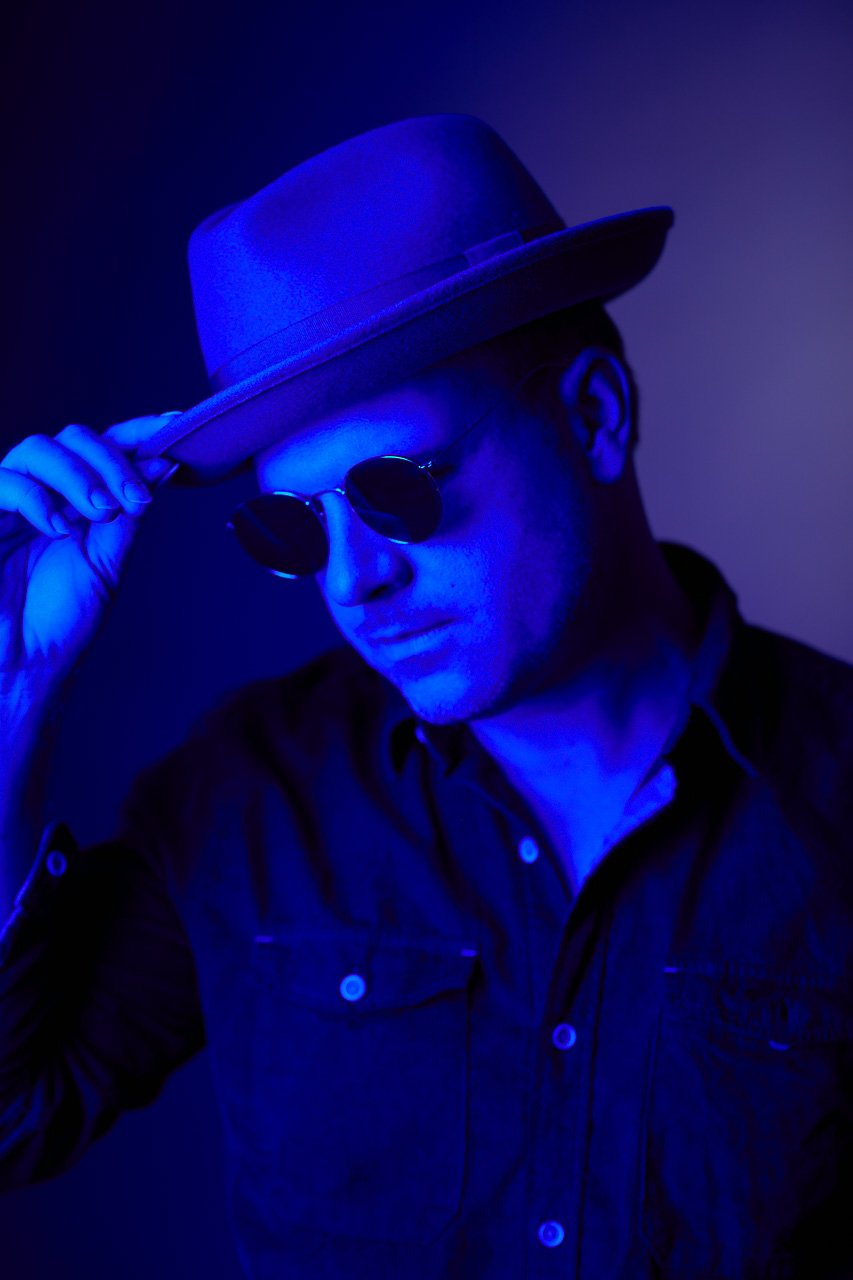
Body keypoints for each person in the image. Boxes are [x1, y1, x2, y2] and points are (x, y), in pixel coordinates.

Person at [0, 113, 850, 1279]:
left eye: (395, 491)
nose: (354, 580)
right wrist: (12, 697)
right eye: (294, 526)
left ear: (593, 415)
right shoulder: (244, 800)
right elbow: (13, 1118)